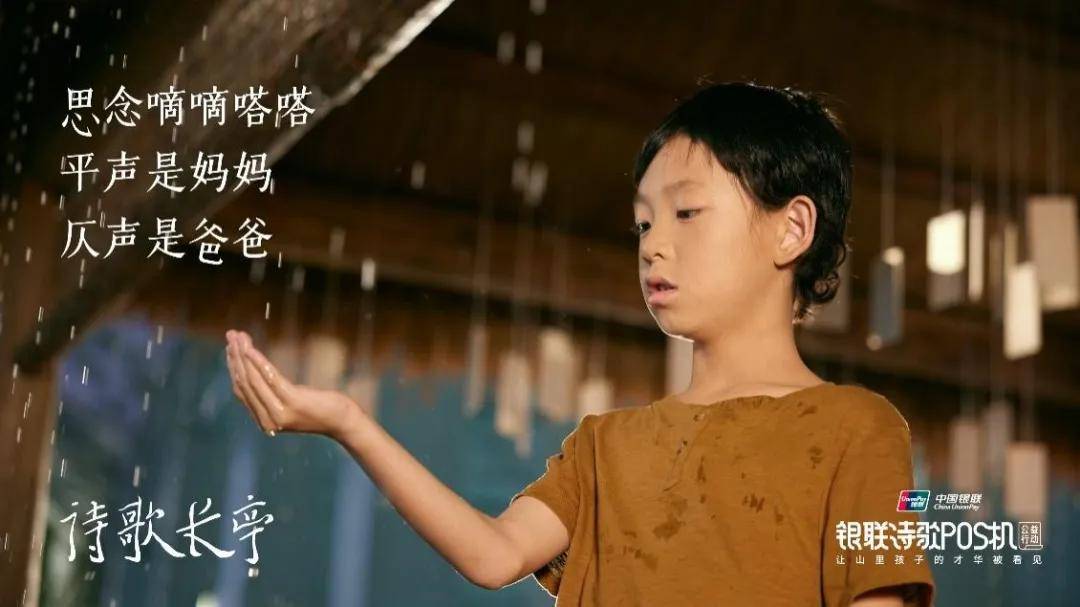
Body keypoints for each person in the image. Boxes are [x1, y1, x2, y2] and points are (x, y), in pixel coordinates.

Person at [224, 81, 936, 606]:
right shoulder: (605, 445)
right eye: (644, 223)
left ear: (792, 229)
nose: (653, 245)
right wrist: (349, 422)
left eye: (687, 212)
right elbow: (493, 554)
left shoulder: (858, 429)